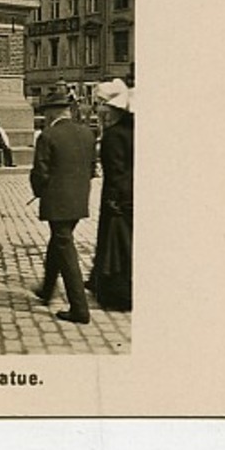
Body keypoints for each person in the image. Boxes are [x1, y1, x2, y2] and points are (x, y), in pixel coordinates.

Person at [30, 88, 96, 324]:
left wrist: (39, 191)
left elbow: (40, 173)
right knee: (58, 241)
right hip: (78, 201)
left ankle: (79, 309)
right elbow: (92, 169)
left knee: (65, 248)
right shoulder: (87, 133)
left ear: (51, 113)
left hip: (58, 202)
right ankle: (47, 291)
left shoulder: (47, 136)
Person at [90, 79, 135, 312]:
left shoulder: (114, 135)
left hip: (117, 196)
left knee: (116, 244)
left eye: (100, 104)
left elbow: (116, 171)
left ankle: (116, 292)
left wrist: (113, 199)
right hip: (132, 195)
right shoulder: (132, 127)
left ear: (111, 108)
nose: (98, 110)